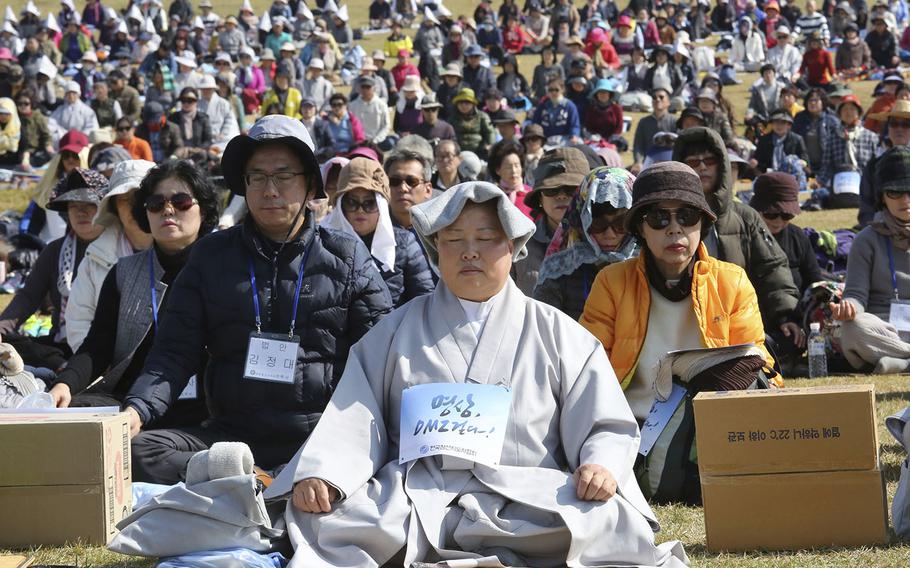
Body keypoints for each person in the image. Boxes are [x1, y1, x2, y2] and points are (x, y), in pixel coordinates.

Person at [265, 181, 689, 568]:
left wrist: (600, 464)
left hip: (528, 496)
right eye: (454, 241)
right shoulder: (394, 331)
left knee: (610, 516)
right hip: (415, 496)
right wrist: (327, 473)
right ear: (436, 251)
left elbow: (604, 421)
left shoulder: (558, 332)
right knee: (321, 519)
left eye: (485, 240)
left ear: (512, 248)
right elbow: (355, 418)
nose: (470, 252)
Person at [123, 115, 393, 484]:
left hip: (321, 435)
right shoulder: (210, 256)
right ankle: (258, 480)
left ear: (310, 183)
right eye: (257, 177)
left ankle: (251, 482)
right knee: (139, 450)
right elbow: (173, 352)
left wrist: (348, 439)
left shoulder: (347, 257)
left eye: (284, 176)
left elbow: (382, 358)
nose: (270, 190)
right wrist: (136, 410)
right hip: (231, 436)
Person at [580, 161, 776, 423]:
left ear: (702, 224)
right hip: (630, 426)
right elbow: (589, 368)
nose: (674, 228)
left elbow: (756, 362)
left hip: (715, 422)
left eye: (687, 216)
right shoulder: (611, 282)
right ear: (640, 228)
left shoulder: (732, 281)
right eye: (659, 218)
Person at [48, 160, 218, 426]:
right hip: (129, 401)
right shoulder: (124, 272)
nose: (168, 210)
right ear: (146, 214)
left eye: (182, 201)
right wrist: (65, 384)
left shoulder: (223, 269)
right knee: (71, 417)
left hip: (205, 403)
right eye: (156, 204)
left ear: (203, 211)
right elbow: (97, 346)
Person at [672, 127, 803, 350]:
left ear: (722, 165)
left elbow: (772, 268)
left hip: (741, 321)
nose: (702, 167)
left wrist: (785, 316)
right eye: (693, 162)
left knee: (786, 341)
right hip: (685, 324)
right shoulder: (669, 219)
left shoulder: (745, 217)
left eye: (710, 160)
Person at [0, 169, 108, 368]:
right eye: (74, 206)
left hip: (106, 347)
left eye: (89, 205)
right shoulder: (55, 250)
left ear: (104, 208)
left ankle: (73, 369)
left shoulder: (120, 249)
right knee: (11, 346)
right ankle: (63, 367)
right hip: (61, 345)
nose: (81, 212)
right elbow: (29, 296)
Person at [832, 147, 910, 373]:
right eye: (895, 192)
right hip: (884, 329)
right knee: (853, 328)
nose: (905, 199)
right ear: (882, 196)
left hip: (891, 345)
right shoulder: (866, 239)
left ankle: (900, 363)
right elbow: (856, 295)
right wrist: (848, 309)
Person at [65, 160, 157, 352]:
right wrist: (102, 372)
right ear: (114, 207)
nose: (134, 206)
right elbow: (79, 323)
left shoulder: (177, 250)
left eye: (140, 196)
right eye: (124, 200)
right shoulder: (96, 256)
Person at [323, 158, 435, 307]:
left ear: (381, 205)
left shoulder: (404, 243)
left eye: (369, 203)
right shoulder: (322, 244)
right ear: (341, 205)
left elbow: (425, 300)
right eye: (352, 202)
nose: (360, 210)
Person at [534, 167, 639, 320]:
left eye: (620, 224)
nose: (609, 235)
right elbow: (543, 328)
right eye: (598, 224)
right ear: (582, 220)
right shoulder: (559, 270)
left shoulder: (649, 265)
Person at [511, 147, 588, 295]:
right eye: (552, 190)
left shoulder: (606, 240)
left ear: (585, 193)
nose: (561, 196)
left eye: (570, 189)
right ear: (540, 197)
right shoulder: (519, 245)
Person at [750, 172, 823, 297]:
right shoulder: (743, 237)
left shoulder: (798, 237)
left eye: (786, 215)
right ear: (757, 209)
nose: (778, 221)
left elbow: (815, 281)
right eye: (771, 214)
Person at [818, 94, 879, 194]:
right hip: (839, 182)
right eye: (845, 109)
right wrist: (821, 182)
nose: (848, 112)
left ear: (859, 113)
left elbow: (876, 165)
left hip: (866, 183)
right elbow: (826, 165)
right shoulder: (832, 137)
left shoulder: (871, 137)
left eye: (852, 109)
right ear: (839, 114)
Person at [384, 148, 434, 231]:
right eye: (394, 181)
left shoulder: (440, 231)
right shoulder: (371, 228)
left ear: (428, 189)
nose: (403, 188)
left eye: (411, 181)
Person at [793, 88, 840, 175]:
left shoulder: (832, 120)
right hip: (804, 166)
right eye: (810, 100)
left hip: (827, 166)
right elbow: (794, 142)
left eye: (816, 100)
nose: (812, 103)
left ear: (823, 102)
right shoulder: (799, 118)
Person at [632, 87, 676, 173]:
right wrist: (638, 162)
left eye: (661, 97)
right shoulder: (644, 122)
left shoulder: (674, 121)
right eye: (654, 98)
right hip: (648, 164)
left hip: (670, 163)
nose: (658, 99)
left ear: (668, 102)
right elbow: (638, 145)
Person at [486, 140, 532, 219]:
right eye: (508, 167)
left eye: (517, 165)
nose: (514, 171)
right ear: (498, 170)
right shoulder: (492, 196)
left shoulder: (531, 195)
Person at [753, 109, 808, 173]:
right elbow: (758, 160)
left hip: (791, 175)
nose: (779, 126)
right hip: (769, 174)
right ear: (772, 124)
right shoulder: (764, 140)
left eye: (783, 123)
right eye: (776, 122)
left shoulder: (797, 140)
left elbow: (805, 161)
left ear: (789, 125)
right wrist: (755, 163)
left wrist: (798, 163)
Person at [450, 88, 495, 160]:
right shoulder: (452, 118)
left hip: (479, 152)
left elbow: (489, 132)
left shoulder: (482, 116)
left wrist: (490, 145)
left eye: (467, 103)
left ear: (473, 104)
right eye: (461, 103)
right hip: (459, 153)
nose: (463, 105)